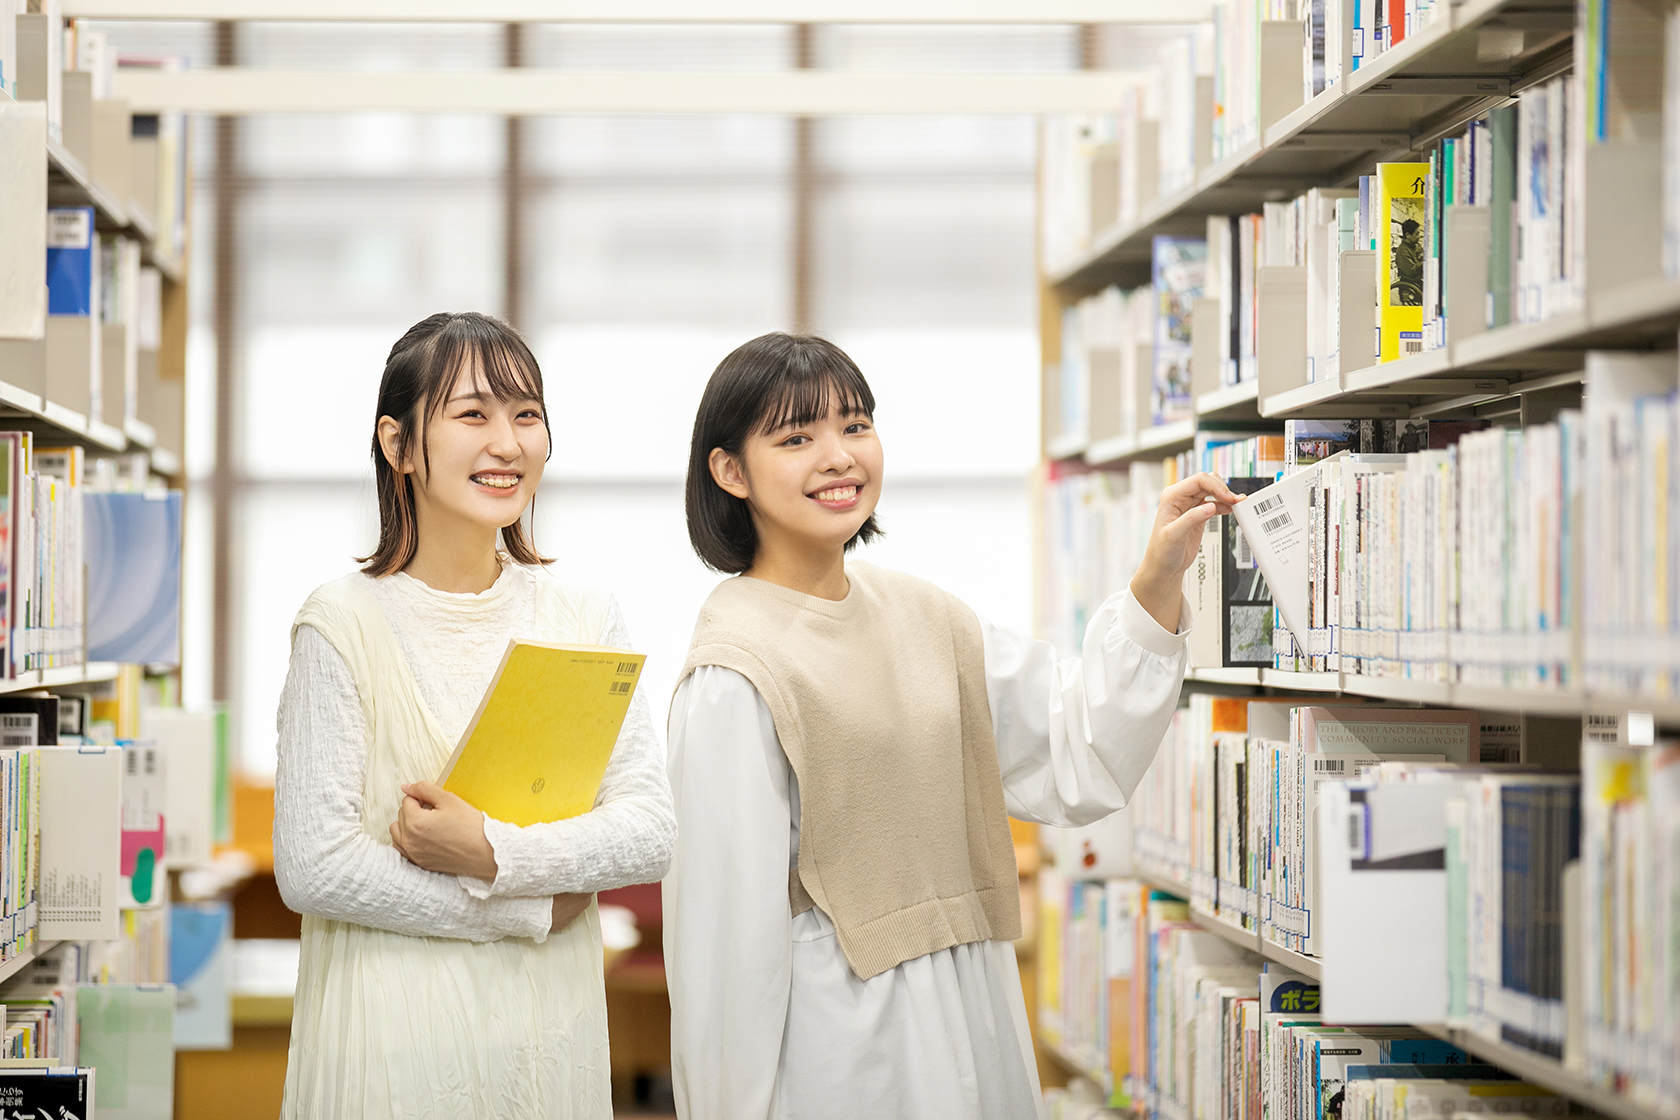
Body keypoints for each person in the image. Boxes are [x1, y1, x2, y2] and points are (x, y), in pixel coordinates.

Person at [664, 332, 1239, 1119]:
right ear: (730, 472)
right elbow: (724, 951)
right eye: (797, 437)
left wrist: (1159, 576)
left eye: (856, 425)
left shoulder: (926, 616)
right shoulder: (734, 670)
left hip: (974, 1005)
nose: (839, 457)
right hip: (840, 1042)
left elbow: (1076, 749)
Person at [272, 312, 675, 1120]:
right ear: (400, 445)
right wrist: (528, 903)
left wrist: (490, 852)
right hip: (390, 1043)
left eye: (527, 415)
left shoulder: (584, 615)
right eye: (473, 414)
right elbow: (315, 866)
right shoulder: (341, 621)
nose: (508, 442)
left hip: (544, 1039)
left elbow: (649, 829)